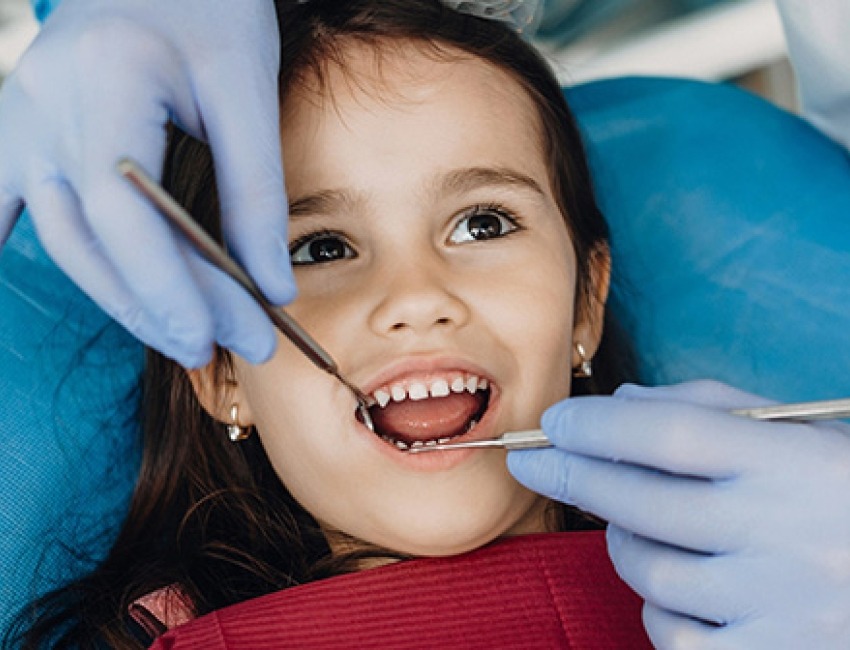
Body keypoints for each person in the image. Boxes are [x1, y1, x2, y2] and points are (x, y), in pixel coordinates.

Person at [2, 0, 850, 648]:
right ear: (224, 373)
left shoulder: (786, 584)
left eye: (482, 224)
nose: (414, 294)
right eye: (322, 245)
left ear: (586, 303)